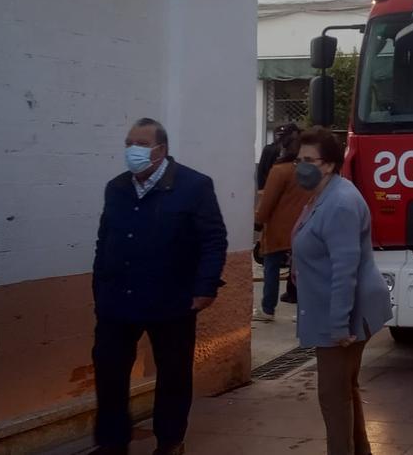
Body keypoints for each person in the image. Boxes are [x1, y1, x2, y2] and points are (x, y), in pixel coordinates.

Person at [91, 118, 228, 455]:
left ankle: (170, 441)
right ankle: (112, 442)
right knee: (109, 371)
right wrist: (99, 285)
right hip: (117, 299)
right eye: (128, 143)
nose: (132, 150)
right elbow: (104, 237)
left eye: (140, 143)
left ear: (161, 149)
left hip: (172, 298)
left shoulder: (193, 186)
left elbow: (213, 239)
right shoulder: (117, 187)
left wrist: (205, 286)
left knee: (173, 374)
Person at [291, 127, 393, 455]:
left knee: (332, 396)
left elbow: (344, 270)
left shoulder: (339, 203)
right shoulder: (323, 195)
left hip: (342, 313)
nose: (301, 166)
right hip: (334, 308)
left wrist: (339, 325)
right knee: (344, 389)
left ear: (330, 164)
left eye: (309, 160)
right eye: (298, 159)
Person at [253, 129, 312, 321]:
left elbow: (267, 201)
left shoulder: (279, 171)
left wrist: (259, 220)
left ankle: (268, 309)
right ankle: (304, 311)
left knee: (271, 268)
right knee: (303, 272)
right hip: (303, 227)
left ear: (283, 149)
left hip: (279, 229)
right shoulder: (307, 170)